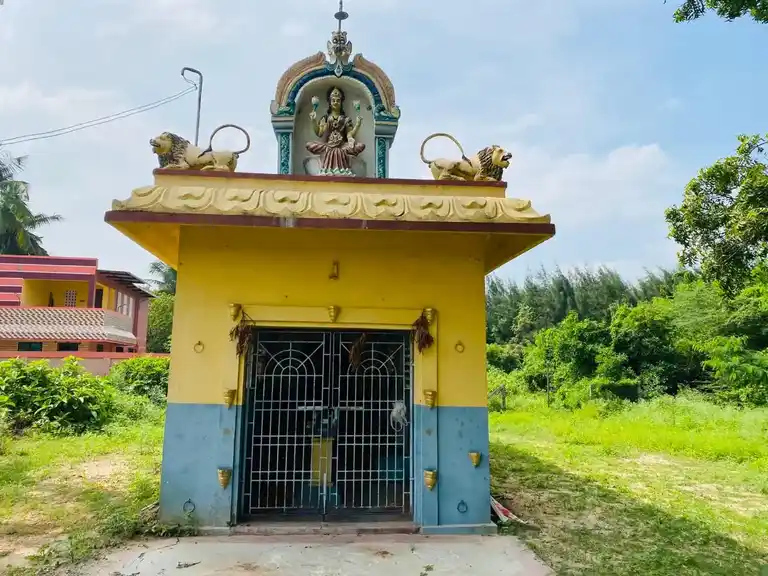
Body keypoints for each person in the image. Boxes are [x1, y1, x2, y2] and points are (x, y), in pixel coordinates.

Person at [306, 86, 365, 176]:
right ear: (329, 102)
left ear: (341, 102)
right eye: (333, 100)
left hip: (342, 146)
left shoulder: (346, 119)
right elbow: (319, 133)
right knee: (309, 145)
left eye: (338, 100)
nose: (335, 102)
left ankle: (335, 163)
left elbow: (350, 134)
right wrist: (313, 121)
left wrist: (358, 125)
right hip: (328, 145)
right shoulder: (325, 118)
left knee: (360, 146)